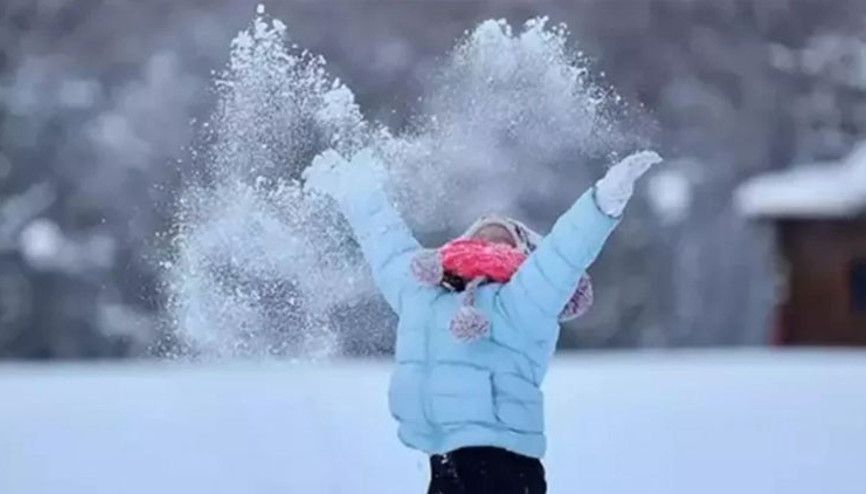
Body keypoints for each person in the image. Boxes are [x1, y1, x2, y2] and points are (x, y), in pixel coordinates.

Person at [303, 147, 662, 494]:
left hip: (504, 461)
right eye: (483, 233)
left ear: (523, 256)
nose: (492, 237)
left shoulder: (524, 300)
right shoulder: (424, 294)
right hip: (443, 458)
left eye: (506, 238)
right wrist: (356, 191)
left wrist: (602, 203)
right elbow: (388, 246)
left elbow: (563, 254)